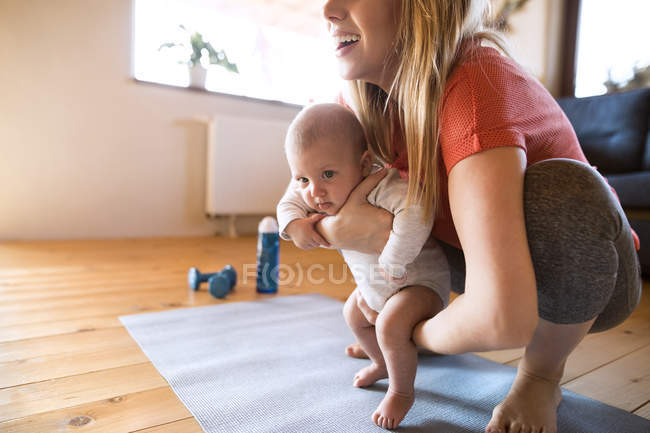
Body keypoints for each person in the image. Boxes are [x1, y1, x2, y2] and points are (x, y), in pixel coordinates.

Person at [285, 1, 642, 433]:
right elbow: (318, 195)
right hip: (466, 260)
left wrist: (404, 335)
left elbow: (502, 317)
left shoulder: (475, 84)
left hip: (590, 280)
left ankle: (541, 376)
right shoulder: (358, 107)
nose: (328, 8)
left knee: (565, 190)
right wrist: (325, 227)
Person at [277, 103, 451, 429]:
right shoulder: (315, 190)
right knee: (352, 314)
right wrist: (295, 226)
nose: (314, 192)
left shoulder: (382, 184)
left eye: (328, 174)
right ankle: (381, 362)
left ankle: (401, 391)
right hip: (376, 284)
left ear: (363, 163)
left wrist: (393, 260)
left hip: (419, 281)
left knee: (389, 325)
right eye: (302, 178)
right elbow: (288, 203)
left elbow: (416, 211)